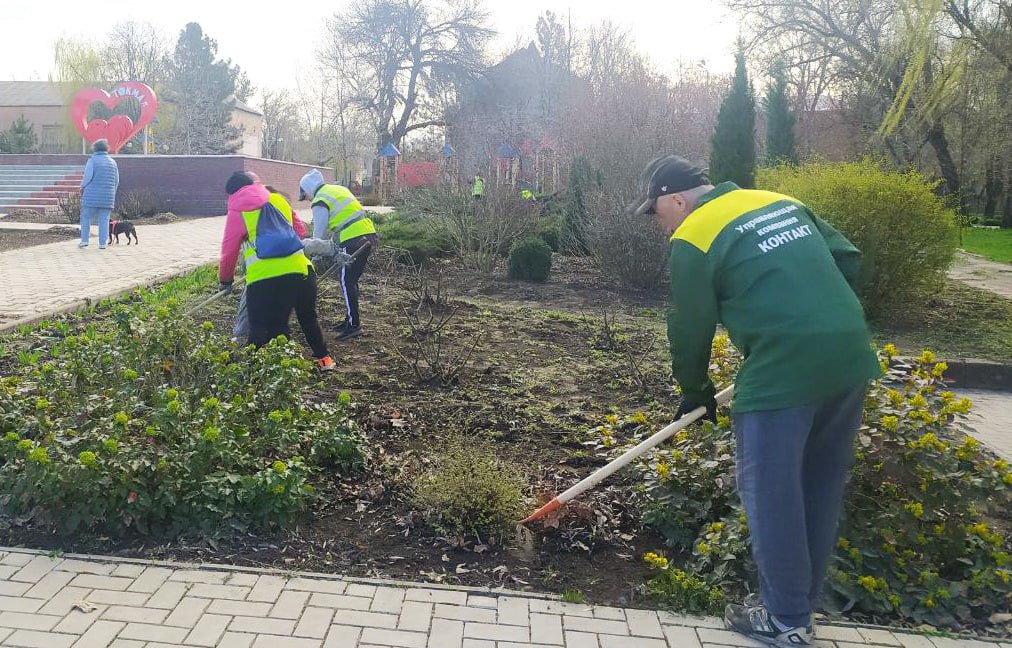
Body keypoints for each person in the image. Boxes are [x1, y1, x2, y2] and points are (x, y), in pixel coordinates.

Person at [633, 155, 881, 647]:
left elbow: (689, 329)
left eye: (656, 212)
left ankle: (785, 621)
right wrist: (818, 315)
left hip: (781, 372)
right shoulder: (778, 201)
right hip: (849, 356)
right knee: (818, 487)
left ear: (677, 199)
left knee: (771, 493)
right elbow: (847, 258)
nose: (660, 224)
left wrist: (695, 394)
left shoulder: (695, 235)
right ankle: (797, 609)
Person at [219, 171, 335, 371]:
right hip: (301, 270)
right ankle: (325, 361)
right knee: (306, 318)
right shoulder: (278, 200)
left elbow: (229, 249)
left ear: (233, 193)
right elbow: (300, 232)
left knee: (260, 326)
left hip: (265, 277)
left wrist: (226, 281)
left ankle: (256, 374)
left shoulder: (238, 209)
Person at [299, 169, 379, 341]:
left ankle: (354, 325)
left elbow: (318, 235)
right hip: (368, 234)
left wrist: (315, 258)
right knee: (351, 280)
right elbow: (344, 218)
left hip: (352, 239)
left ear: (308, 189)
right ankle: (349, 320)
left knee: (346, 281)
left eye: (305, 195)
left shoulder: (320, 200)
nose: (306, 199)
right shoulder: (338, 190)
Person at [78, 139, 119, 249]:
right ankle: (102, 243)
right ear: (107, 148)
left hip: (91, 195)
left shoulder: (92, 161)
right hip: (107, 196)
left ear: (95, 148)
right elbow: (116, 181)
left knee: (86, 217)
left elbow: (87, 177)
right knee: (104, 219)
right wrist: (112, 192)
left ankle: (85, 241)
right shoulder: (112, 162)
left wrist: (81, 187)